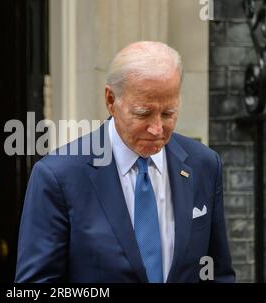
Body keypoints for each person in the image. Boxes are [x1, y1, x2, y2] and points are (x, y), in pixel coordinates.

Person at [15, 41, 235, 283]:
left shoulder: (204, 165)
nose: (157, 129)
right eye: (143, 113)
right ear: (111, 100)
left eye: (168, 113)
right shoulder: (58, 176)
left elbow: (218, 273)